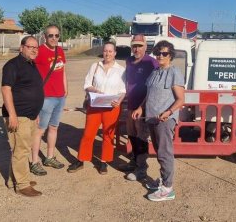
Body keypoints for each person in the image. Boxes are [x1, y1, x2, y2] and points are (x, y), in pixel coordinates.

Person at [132, 40, 185, 202]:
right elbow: (149, 95)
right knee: (158, 150)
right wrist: (141, 107)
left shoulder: (174, 72)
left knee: (164, 153)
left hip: (165, 120)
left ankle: (168, 188)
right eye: (158, 53)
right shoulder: (155, 72)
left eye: (164, 53)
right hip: (151, 118)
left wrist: (168, 112)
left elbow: (181, 99)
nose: (160, 56)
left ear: (170, 55)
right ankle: (163, 181)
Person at [67, 40, 126, 175]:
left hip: (112, 106)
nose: (107, 53)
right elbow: (87, 84)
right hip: (95, 105)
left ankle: (104, 162)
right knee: (88, 133)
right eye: (105, 51)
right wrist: (95, 90)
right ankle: (81, 159)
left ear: (115, 53)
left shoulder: (121, 70)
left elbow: (123, 90)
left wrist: (119, 101)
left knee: (108, 135)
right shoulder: (95, 66)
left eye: (110, 51)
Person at [1, 36, 44, 197]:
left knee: (24, 149)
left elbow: (33, 89)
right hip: (19, 115)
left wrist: (36, 112)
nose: (34, 50)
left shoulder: (31, 65)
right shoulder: (13, 65)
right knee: (21, 149)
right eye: (30, 46)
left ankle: (19, 178)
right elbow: (6, 89)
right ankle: (22, 185)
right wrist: (12, 115)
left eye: (36, 47)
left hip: (30, 115)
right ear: (21, 48)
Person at [30, 25, 67, 176]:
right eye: (50, 35)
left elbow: (63, 70)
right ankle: (34, 162)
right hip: (45, 97)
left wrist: (65, 89)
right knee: (39, 130)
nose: (53, 38)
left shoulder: (60, 50)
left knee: (54, 128)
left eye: (56, 35)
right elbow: (29, 71)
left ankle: (49, 157)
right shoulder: (39, 51)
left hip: (60, 97)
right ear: (45, 36)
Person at [121, 34, 158, 181]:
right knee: (132, 136)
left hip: (143, 108)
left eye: (139, 46)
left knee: (142, 138)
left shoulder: (151, 62)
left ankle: (142, 169)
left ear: (145, 47)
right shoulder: (129, 61)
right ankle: (134, 162)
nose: (136, 49)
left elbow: (153, 88)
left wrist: (142, 106)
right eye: (134, 46)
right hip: (130, 105)